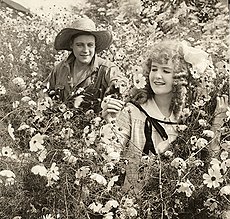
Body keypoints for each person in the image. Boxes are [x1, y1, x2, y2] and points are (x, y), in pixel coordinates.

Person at [115, 39, 229, 194]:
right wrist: (109, 122)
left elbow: (209, 164)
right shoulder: (132, 112)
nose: (157, 76)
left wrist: (216, 126)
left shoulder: (188, 119)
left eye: (166, 71)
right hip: (135, 202)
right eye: (154, 69)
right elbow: (111, 154)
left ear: (180, 78)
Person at [44, 17, 124, 116]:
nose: (85, 50)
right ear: (71, 45)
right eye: (80, 45)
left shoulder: (107, 69)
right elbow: (44, 89)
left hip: (96, 128)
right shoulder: (60, 68)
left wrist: (112, 98)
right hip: (60, 126)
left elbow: (120, 88)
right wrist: (44, 97)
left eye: (90, 45)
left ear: (95, 46)